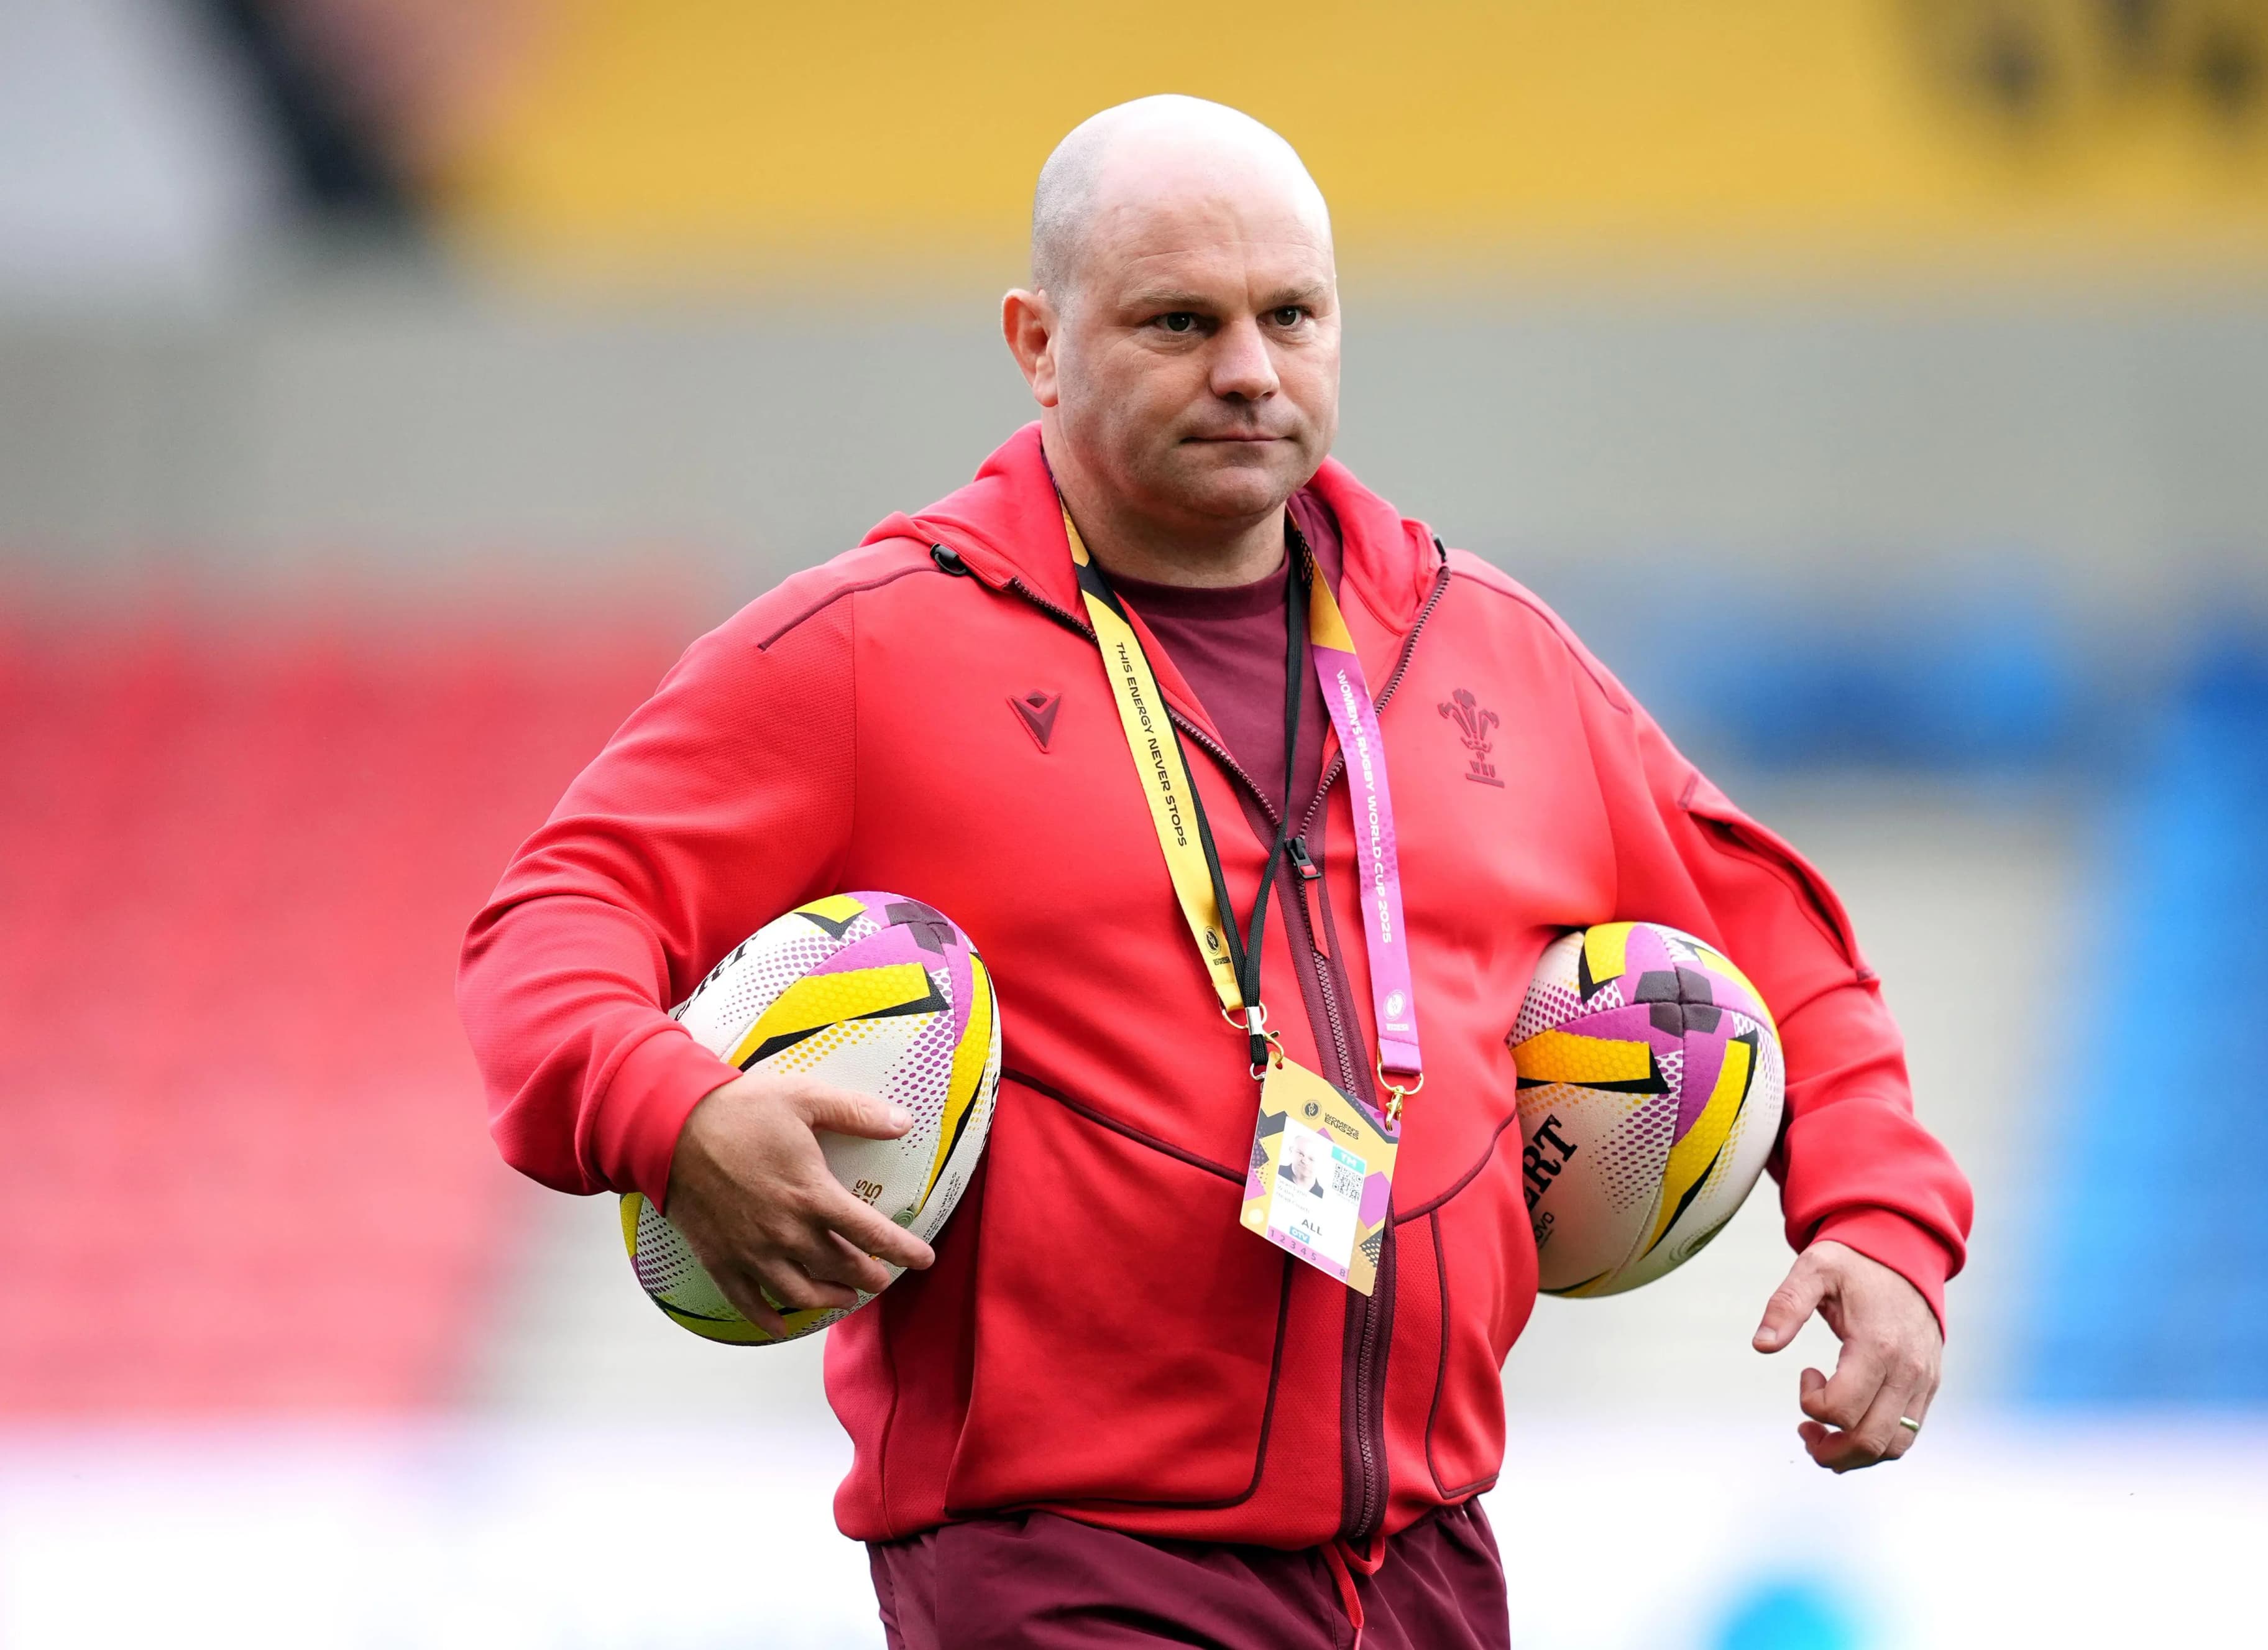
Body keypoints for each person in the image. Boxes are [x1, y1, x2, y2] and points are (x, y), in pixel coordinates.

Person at [458, 95, 1972, 1650]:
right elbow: (549, 927)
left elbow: (1785, 946)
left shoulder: (1487, 649)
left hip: (1424, 1560)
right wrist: (674, 1112)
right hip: (1071, 1570)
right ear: (1039, 345)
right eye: (1180, 322)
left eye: (1290, 316)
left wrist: (1880, 1219)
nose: (1249, 369)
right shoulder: (865, 649)